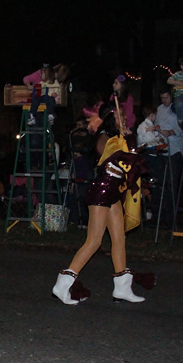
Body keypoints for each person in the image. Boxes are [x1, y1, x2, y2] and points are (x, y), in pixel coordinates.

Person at [51, 101, 152, 305]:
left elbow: (129, 161)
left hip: (113, 194)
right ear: (110, 119)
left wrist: (129, 140)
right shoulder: (104, 138)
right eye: (119, 115)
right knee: (94, 241)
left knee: (119, 238)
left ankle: (122, 288)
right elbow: (120, 157)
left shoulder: (118, 138)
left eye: (124, 115)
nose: (124, 119)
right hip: (100, 192)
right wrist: (130, 143)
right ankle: (62, 284)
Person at [153, 88, 183, 227]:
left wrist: (171, 131)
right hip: (162, 150)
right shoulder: (159, 109)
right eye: (162, 98)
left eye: (166, 98)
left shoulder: (178, 107)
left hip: (175, 150)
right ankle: (161, 217)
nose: (164, 101)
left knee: (173, 184)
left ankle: (173, 219)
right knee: (162, 184)